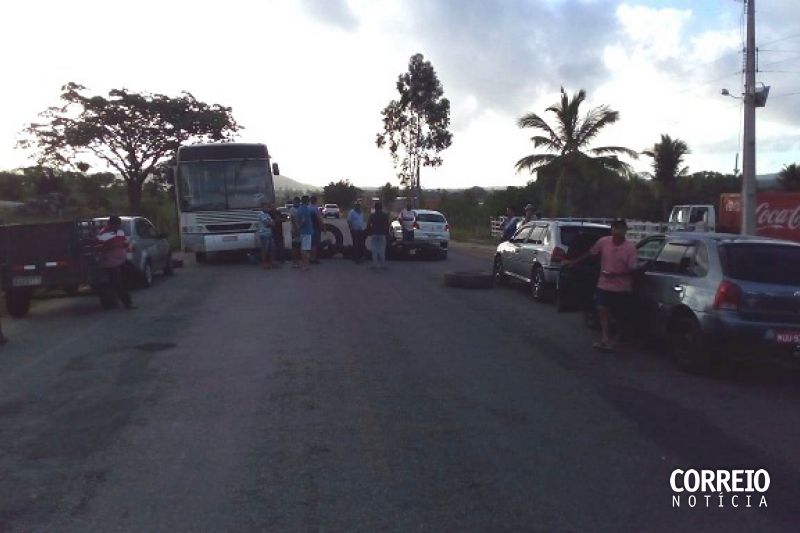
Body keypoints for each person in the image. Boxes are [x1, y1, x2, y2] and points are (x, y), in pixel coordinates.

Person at [564, 219, 637, 352]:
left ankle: (620, 337)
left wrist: (616, 274)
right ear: (612, 229)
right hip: (604, 284)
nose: (619, 231)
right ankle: (605, 338)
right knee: (602, 309)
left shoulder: (630, 248)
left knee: (619, 314)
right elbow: (591, 253)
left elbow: (633, 269)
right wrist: (574, 262)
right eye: (617, 228)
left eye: (622, 228)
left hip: (622, 287)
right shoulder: (604, 242)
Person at [97, 215, 134, 309]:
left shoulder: (119, 232)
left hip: (121, 260)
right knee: (116, 283)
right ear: (111, 224)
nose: (118, 226)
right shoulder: (104, 233)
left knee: (121, 282)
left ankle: (119, 301)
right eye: (117, 224)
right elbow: (101, 247)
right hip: (111, 262)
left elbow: (123, 243)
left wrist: (126, 246)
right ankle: (126, 302)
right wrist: (115, 246)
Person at [366, 202, 391, 270]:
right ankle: (383, 265)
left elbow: (368, 224)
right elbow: (388, 225)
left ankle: (375, 265)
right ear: (381, 208)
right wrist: (387, 233)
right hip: (382, 234)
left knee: (374, 250)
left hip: (374, 233)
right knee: (382, 250)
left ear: (375, 208)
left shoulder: (372, 215)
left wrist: (369, 232)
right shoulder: (384, 215)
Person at [296, 195, 314, 271]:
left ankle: (306, 264)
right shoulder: (305, 209)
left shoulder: (299, 208)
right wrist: (300, 227)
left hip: (304, 231)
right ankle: (305, 265)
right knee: (305, 249)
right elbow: (303, 220)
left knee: (304, 248)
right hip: (306, 231)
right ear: (307, 201)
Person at [256, 201, 275, 269]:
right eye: (266, 207)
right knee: (264, 250)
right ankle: (264, 264)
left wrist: (271, 223)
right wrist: (270, 223)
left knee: (271, 249)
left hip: (269, 233)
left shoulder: (267, 214)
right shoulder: (260, 214)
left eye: (268, 207)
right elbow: (268, 223)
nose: (268, 208)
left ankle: (271, 263)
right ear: (262, 207)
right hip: (264, 234)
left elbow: (273, 223)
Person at [310, 195, 324, 264]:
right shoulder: (316, 209)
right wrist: (323, 227)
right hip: (315, 228)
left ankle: (308, 257)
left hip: (308, 228)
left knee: (308, 244)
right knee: (314, 244)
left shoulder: (308, 208)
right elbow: (319, 219)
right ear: (315, 201)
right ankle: (314, 258)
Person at [289, 196, 302, 268]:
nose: (296, 203)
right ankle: (294, 262)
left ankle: (298, 261)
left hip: (301, 230)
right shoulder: (292, 209)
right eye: (295, 202)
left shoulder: (299, 209)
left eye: (297, 202)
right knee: (295, 247)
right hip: (295, 230)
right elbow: (293, 220)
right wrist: (296, 229)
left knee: (300, 246)